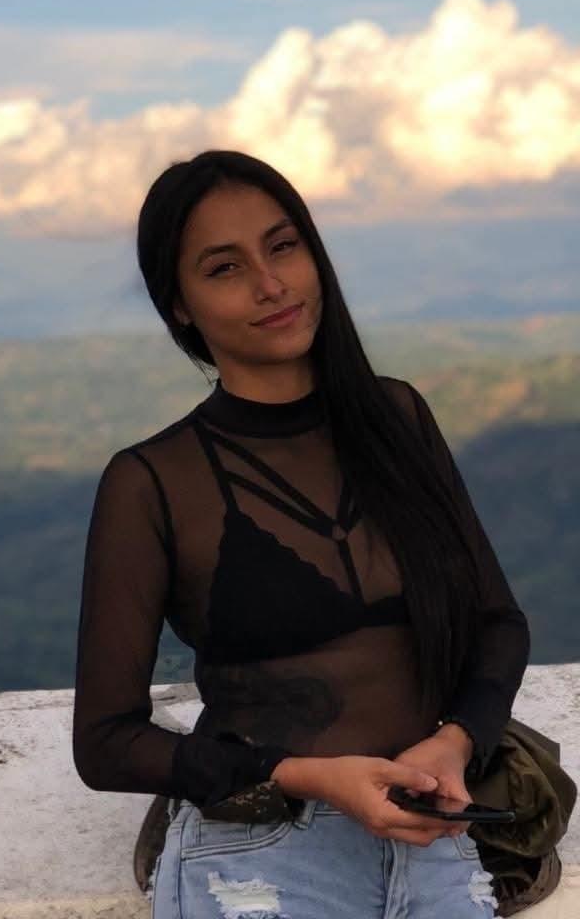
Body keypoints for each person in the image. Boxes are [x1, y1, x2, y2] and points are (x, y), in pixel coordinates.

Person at [71, 150, 530, 918]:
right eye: (225, 267)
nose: (271, 284)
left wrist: (455, 742)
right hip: (261, 848)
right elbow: (106, 741)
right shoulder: (154, 481)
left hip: (431, 826)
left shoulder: (397, 420)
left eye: (283, 247)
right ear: (179, 305)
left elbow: (496, 623)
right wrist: (309, 776)